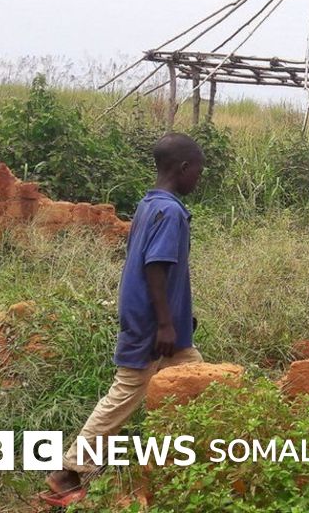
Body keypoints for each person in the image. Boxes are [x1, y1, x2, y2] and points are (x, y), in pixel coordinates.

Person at [43, 133, 206, 506]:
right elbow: (155, 267)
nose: (198, 179)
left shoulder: (150, 204)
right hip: (153, 329)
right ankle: (68, 472)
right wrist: (165, 324)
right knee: (125, 394)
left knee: (200, 382)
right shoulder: (170, 212)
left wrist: (178, 317)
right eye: (197, 171)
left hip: (160, 326)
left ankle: (191, 462)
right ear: (183, 168)